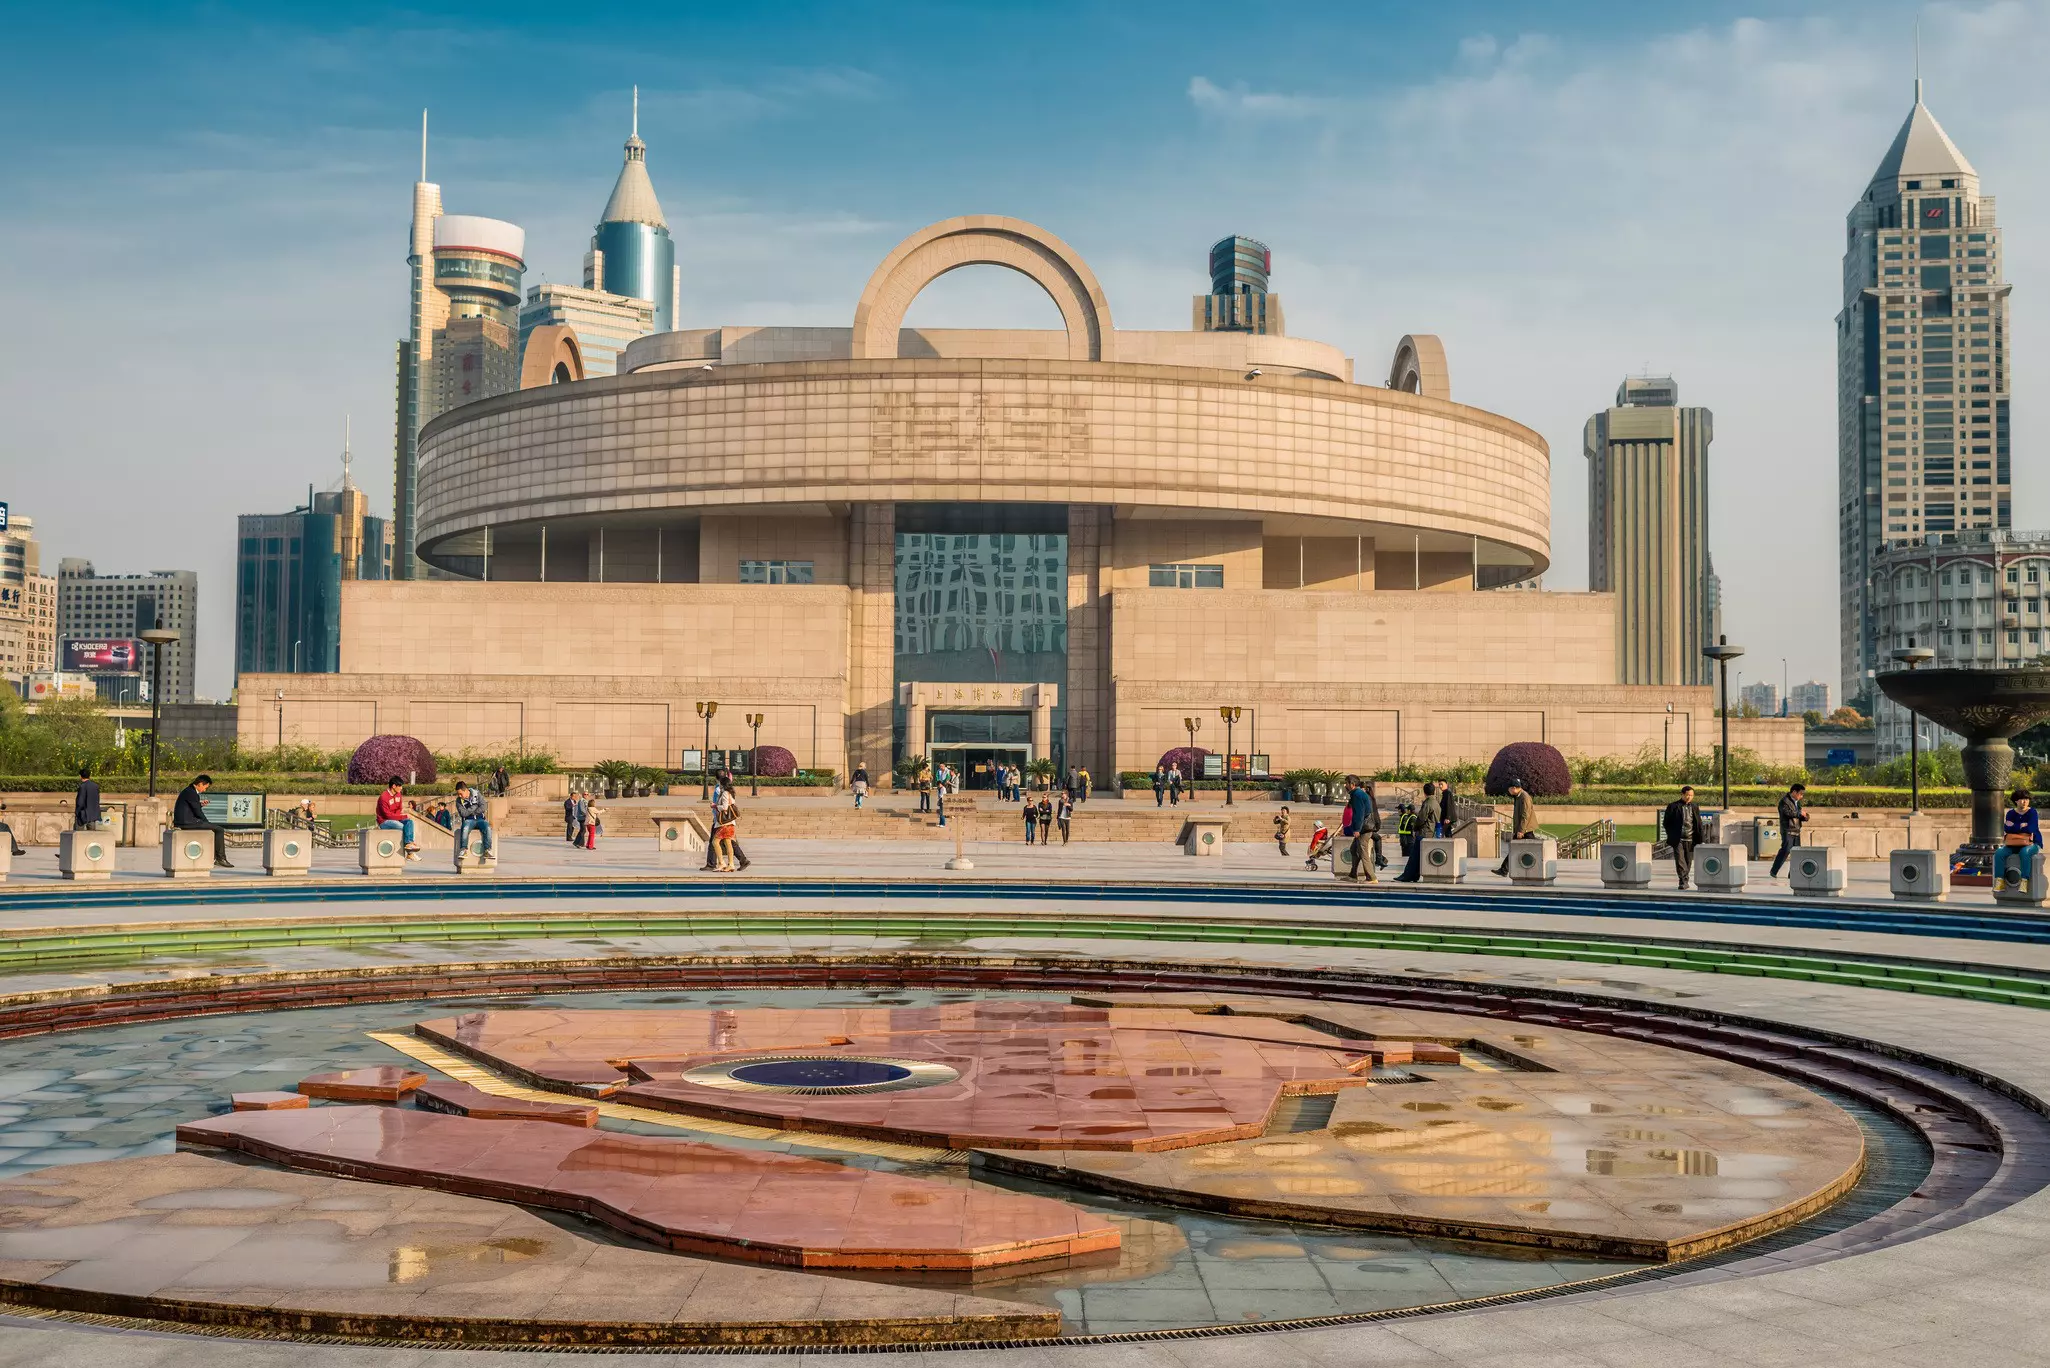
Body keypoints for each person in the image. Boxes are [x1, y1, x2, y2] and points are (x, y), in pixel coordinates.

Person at [173, 773, 233, 868]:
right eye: (205, 787)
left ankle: (217, 857)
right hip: (187, 823)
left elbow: (192, 807)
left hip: (185, 821)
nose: (205, 790)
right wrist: (207, 823)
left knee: (215, 828)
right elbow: (198, 812)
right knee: (219, 829)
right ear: (200, 784)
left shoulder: (188, 791)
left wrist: (199, 804)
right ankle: (220, 858)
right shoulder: (192, 793)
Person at [1662, 784, 1707, 889]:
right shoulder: (1673, 806)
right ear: (1682, 794)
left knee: (1688, 861)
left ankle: (1685, 879)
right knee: (1680, 861)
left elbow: (1699, 824)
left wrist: (1702, 839)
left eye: (1691, 795)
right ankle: (1682, 881)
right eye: (1687, 795)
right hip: (1678, 839)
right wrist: (1672, 834)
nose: (1689, 797)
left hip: (1691, 839)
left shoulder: (1695, 807)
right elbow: (1666, 823)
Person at [1492, 778, 1538, 877]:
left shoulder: (1524, 797)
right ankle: (1504, 870)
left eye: (1509, 789)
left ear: (1514, 788)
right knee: (1517, 848)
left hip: (1526, 829)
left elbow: (1525, 815)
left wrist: (1521, 830)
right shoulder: (1518, 796)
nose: (1508, 791)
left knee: (1530, 849)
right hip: (1523, 829)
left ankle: (1504, 870)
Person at [2001, 789, 2043, 888]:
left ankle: (2024, 881)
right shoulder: (2011, 813)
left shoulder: (2032, 812)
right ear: (2016, 801)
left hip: (2032, 843)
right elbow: (2007, 828)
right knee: (1999, 853)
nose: (2025, 802)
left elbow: (2031, 828)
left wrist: (2014, 826)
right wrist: (2021, 826)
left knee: (2024, 852)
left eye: (2027, 799)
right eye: (2022, 799)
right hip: (2014, 843)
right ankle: (2000, 881)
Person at [1396, 782, 1437, 882]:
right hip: (1431, 832)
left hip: (1424, 832)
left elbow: (1421, 818)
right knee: (1419, 856)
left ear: (1424, 792)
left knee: (1414, 856)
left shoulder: (1427, 803)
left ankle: (1407, 875)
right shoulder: (1436, 803)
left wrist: (1415, 828)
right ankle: (1414, 875)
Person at [1769, 782, 1810, 878]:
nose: (1801, 796)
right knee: (1785, 850)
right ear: (1794, 792)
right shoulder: (1784, 801)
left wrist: (1805, 816)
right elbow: (1787, 813)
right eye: (1800, 794)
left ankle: (1792, 874)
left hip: (1796, 829)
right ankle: (1774, 871)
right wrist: (1800, 814)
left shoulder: (1797, 803)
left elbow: (1800, 814)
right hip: (1787, 829)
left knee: (1797, 853)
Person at [451, 781, 494, 868]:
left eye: (460, 793)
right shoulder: (459, 801)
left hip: (480, 819)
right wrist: (474, 807)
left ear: (466, 790)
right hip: (468, 821)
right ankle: (463, 849)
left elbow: (483, 807)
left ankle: (487, 850)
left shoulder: (476, 794)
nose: (459, 796)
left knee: (487, 827)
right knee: (465, 827)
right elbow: (463, 814)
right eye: (458, 794)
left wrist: (472, 812)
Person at [377, 777, 421, 860]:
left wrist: (398, 817)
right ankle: (410, 852)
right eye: (399, 786)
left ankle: (409, 845)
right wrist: (402, 817)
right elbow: (387, 815)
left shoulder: (398, 795)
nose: (401, 788)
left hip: (395, 818)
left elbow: (399, 809)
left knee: (409, 822)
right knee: (402, 826)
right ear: (393, 786)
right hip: (384, 821)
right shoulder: (384, 797)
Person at [1347, 778, 1380, 883]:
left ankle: (1371, 877)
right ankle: (1353, 875)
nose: (1345, 785)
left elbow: (1359, 813)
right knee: (1353, 849)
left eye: (1346, 783)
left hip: (1364, 828)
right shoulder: (1358, 793)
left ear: (1352, 784)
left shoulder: (1357, 795)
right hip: (1364, 827)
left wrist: (1357, 829)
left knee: (1363, 851)